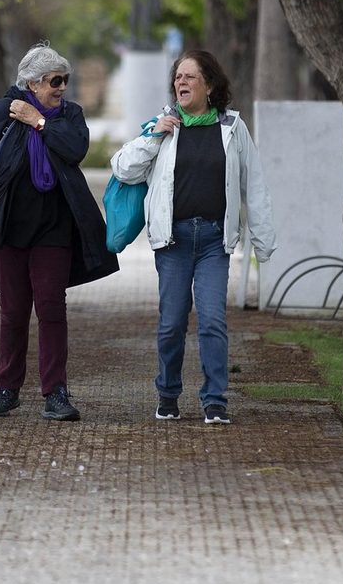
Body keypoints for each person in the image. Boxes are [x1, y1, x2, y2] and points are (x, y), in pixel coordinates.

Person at [0, 44, 118, 421]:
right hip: (7, 230)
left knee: (52, 309)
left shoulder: (69, 115)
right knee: (13, 310)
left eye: (65, 80)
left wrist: (39, 121)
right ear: (32, 82)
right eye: (55, 81)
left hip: (54, 230)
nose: (62, 87)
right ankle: (7, 389)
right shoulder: (3, 113)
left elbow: (75, 149)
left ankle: (56, 392)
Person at [111, 50, 276, 424]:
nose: (180, 83)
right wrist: (153, 135)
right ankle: (168, 392)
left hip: (214, 241)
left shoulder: (233, 127)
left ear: (210, 85)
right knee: (172, 322)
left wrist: (263, 242)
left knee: (213, 320)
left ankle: (214, 399)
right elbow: (123, 168)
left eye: (190, 77)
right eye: (177, 77)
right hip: (174, 241)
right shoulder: (164, 124)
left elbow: (256, 185)